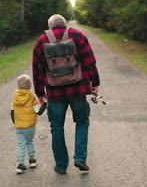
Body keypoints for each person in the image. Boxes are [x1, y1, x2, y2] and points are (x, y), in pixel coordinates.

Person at [32, 14, 100, 175]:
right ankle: (80, 158)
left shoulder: (41, 42)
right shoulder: (77, 36)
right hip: (78, 90)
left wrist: (40, 93)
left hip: (55, 93)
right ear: (64, 23)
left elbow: (37, 70)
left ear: (50, 26)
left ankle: (61, 166)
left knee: (57, 128)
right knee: (82, 122)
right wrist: (95, 82)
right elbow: (90, 60)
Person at [10, 74, 46, 174]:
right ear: (29, 86)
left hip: (19, 127)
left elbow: (12, 112)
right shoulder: (31, 97)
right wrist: (45, 104)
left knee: (21, 144)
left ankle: (20, 165)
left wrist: (15, 122)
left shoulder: (15, 97)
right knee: (29, 142)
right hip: (30, 126)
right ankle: (32, 160)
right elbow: (38, 111)